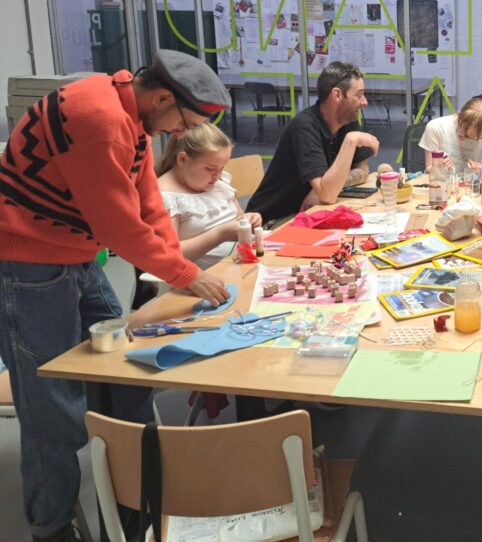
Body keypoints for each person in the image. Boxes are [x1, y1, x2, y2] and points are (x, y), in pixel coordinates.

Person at [0, 50, 231, 542]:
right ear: (164, 96)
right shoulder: (98, 115)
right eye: (182, 121)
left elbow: (146, 202)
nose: (176, 134)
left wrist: (178, 269)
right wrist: (185, 273)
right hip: (28, 262)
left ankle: (130, 496)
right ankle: (52, 527)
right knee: (51, 407)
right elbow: (118, 225)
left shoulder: (129, 113)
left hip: (75, 256)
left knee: (129, 365)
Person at [247, 62, 379, 224]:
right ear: (337, 95)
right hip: (273, 221)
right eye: (358, 95)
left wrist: (321, 190)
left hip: (310, 211)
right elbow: (329, 195)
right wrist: (350, 142)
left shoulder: (347, 119)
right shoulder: (304, 128)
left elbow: (363, 169)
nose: (364, 102)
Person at [156, 122, 263, 270]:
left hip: (237, 267)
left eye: (222, 168)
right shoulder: (163, 196)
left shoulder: (218, 182)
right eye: (210, 169)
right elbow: (168, 256)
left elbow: (239, 218)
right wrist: (220, 235)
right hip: (197, 281)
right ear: (182, 159)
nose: (217, 176)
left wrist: (249, 221)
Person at [419, 97, 482, 172]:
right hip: (443, 183)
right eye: (460, 132)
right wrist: (437, 168)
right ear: (459, 115)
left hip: (469, 184)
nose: (462, 138)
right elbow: (427, 170)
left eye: (470, 138)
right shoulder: (436, 127)